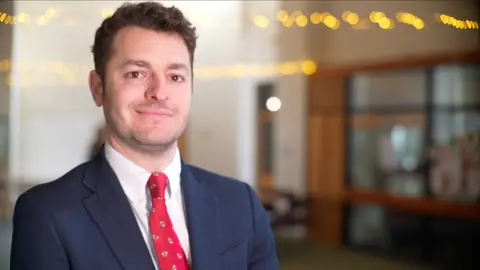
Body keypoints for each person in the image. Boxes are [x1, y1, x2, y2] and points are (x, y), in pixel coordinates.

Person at [10, 2, 279, 270]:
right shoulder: (47, 213)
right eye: (136, 73)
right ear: (98, 88)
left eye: (175, 77)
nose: (159, 92)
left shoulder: (240, 203)